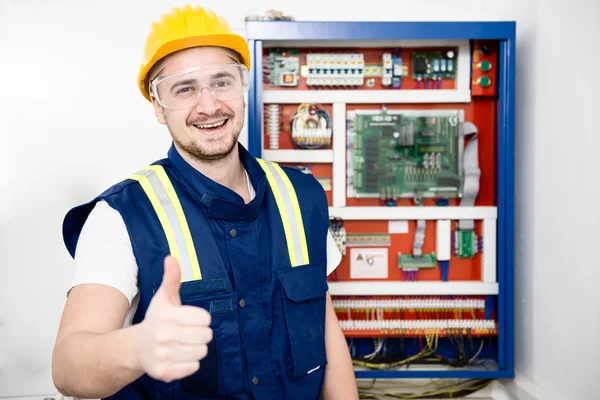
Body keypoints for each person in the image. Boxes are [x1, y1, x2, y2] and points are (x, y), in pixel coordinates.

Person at [51, 4, 358, 400]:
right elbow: (68, 366)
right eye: (185, 88)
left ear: (243, 89)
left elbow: (325, 329)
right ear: (158, 107)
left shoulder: (302, 196)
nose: (210, 105)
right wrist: (139, 346)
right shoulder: (122, 216)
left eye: (222, 82)